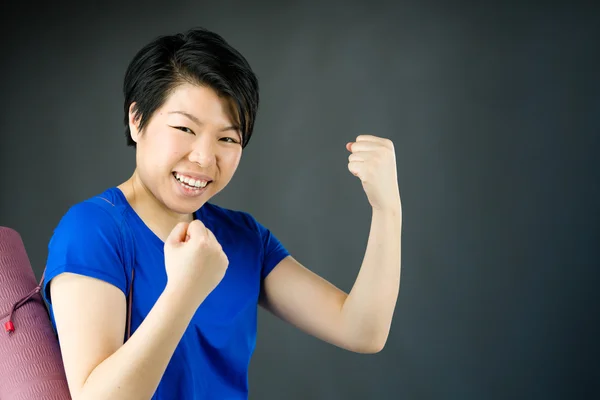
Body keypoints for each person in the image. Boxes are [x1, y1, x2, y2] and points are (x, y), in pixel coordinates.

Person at [42, 27, 402, 400]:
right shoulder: (92, 231)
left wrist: (387, 208)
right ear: (137, 120)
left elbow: (363, 330)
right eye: (185, 128)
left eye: (227, 138)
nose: (204, 158)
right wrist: (186, 289)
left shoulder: (243, 237)